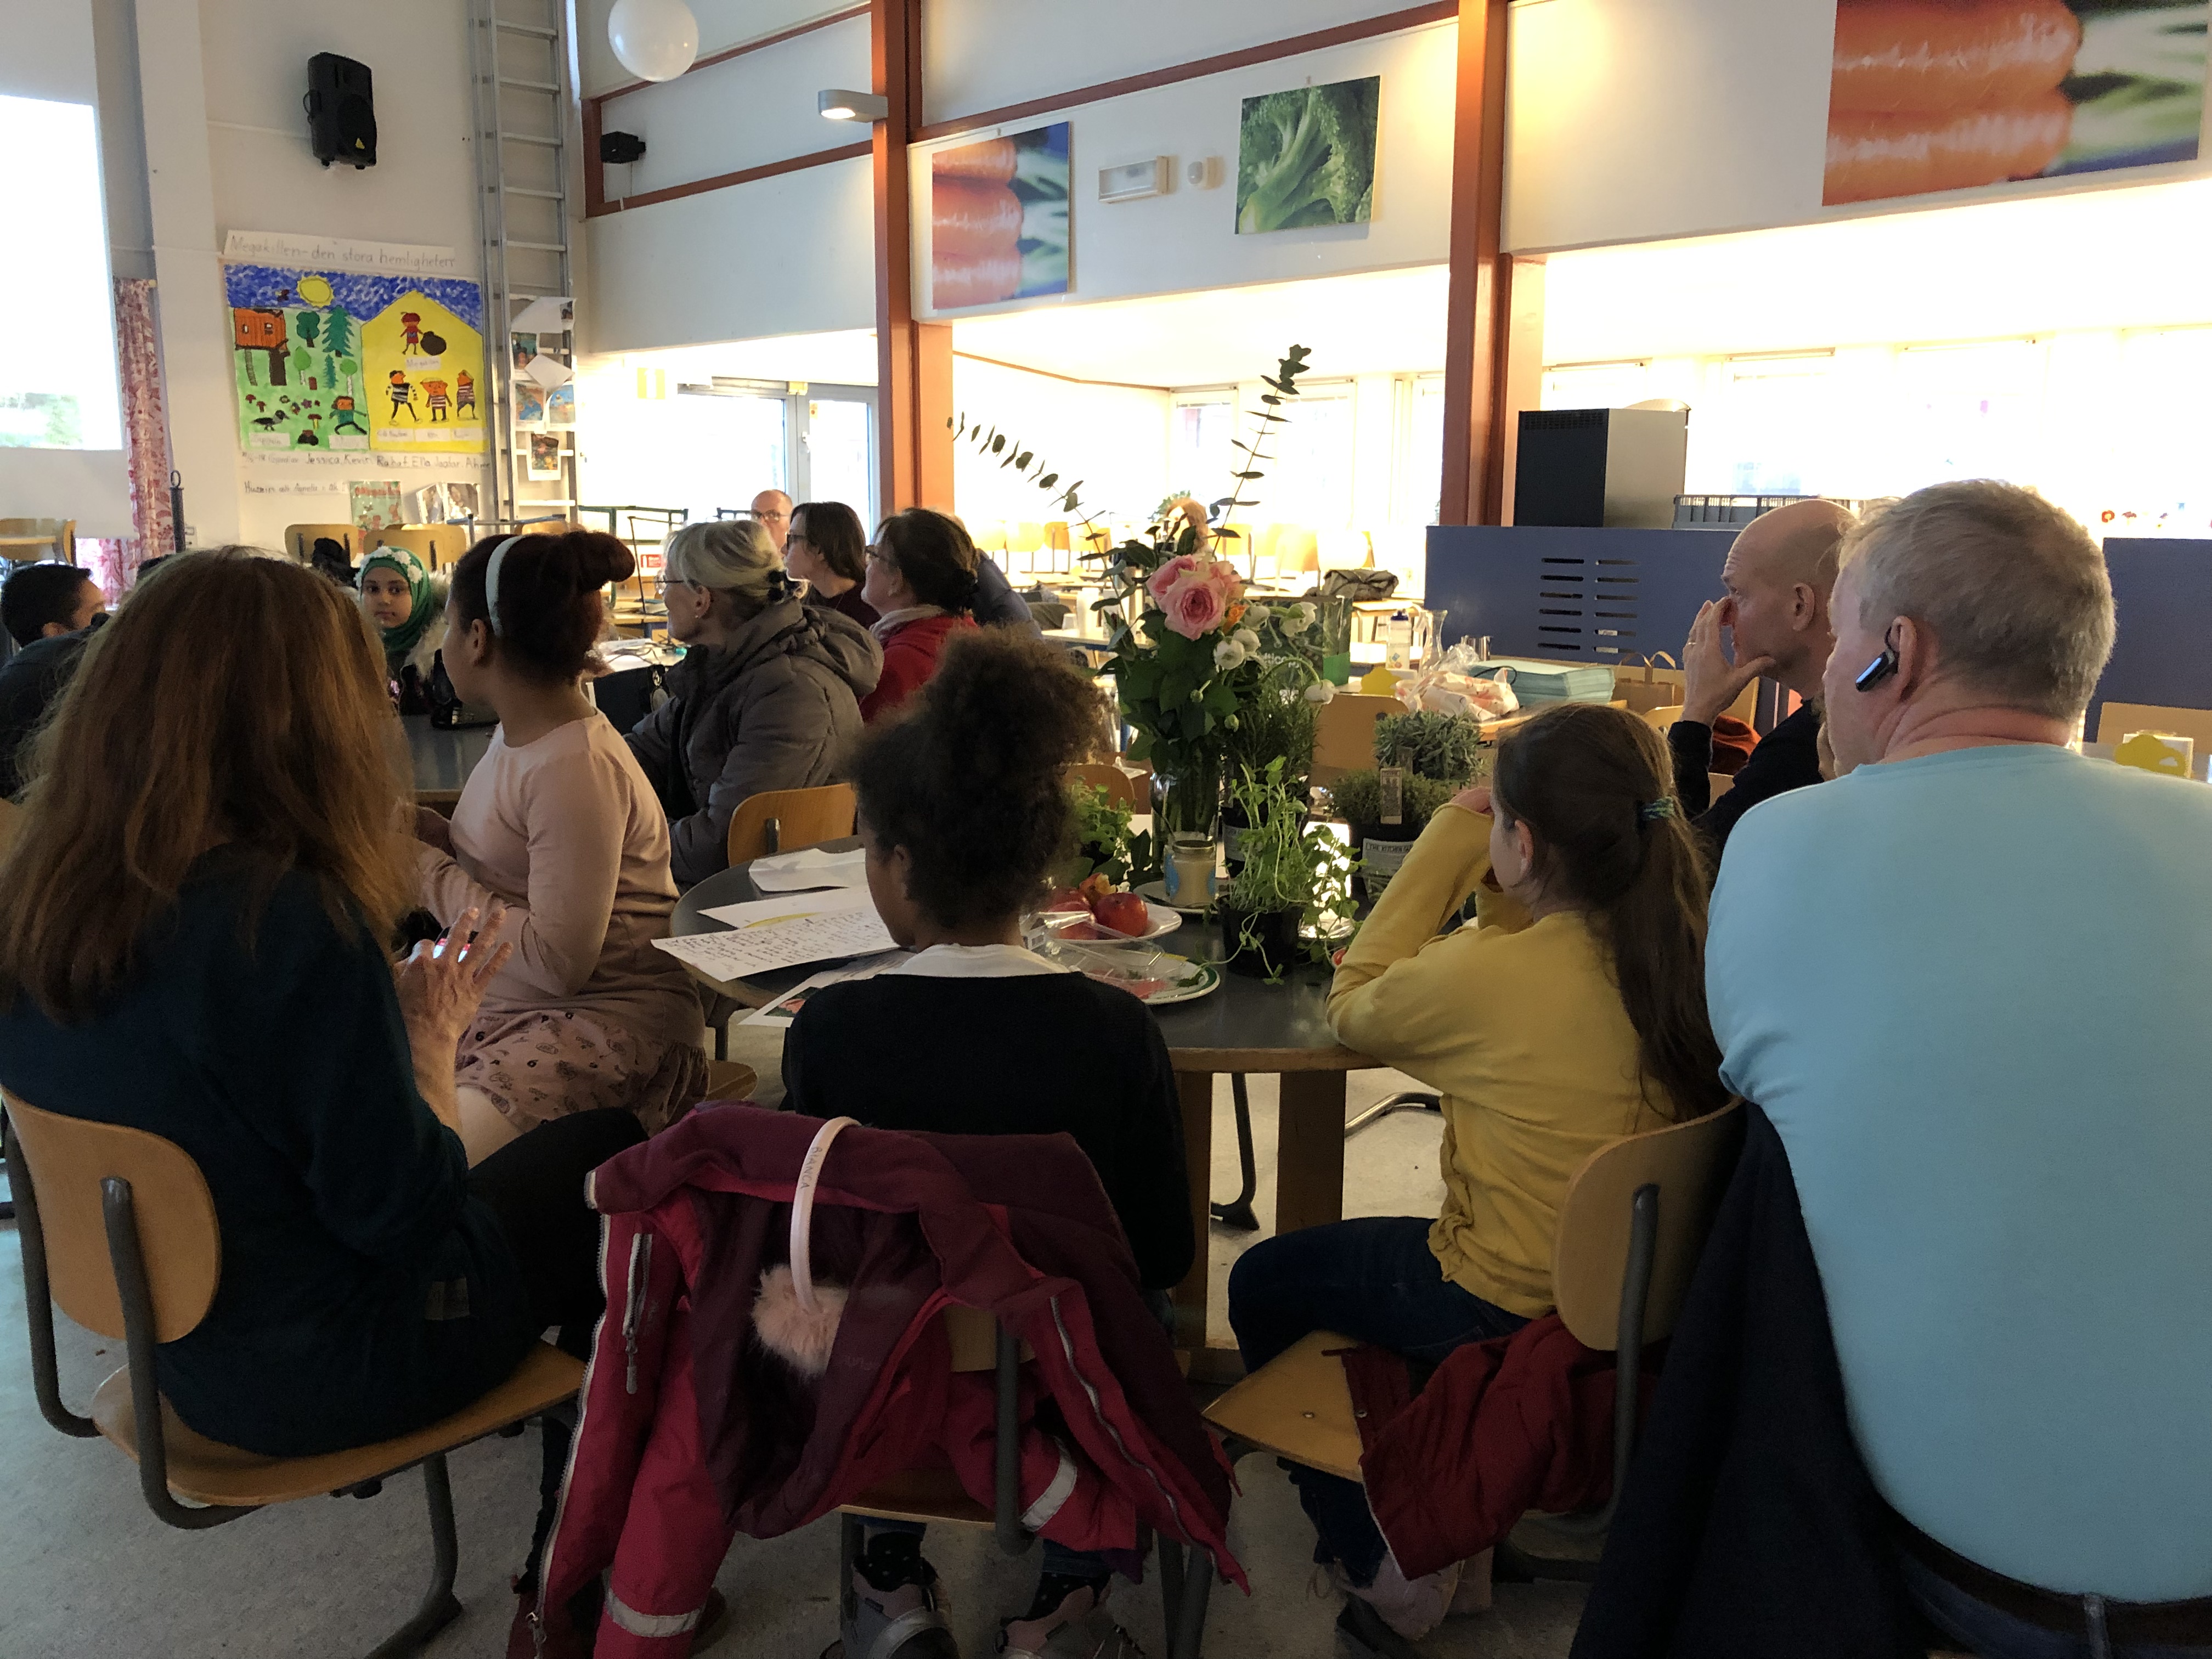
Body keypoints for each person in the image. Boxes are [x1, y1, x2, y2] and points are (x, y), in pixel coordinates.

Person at [0, 551, 641, 1575]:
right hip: (332, 1363)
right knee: (613, 1156)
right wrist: (425, 1041)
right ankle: (588, 1557)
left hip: (176, 1347)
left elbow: (192, 1079)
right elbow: (407, 1212)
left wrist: (362, 1034)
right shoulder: (285, 919)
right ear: (308, 719)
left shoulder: (42, 898)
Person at [1707, 481, 2212, 1656]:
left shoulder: (1784, 846)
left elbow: (1746, 1072)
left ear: (1897, 652)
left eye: (1844, 645)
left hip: (1988, 1584)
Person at [1229, 701, 1729, 1640]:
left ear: (1523, 839)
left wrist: (1447, 843)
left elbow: (1354, 1000)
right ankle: (1450, 1473)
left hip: (1502, 1296)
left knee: (1263, 1281)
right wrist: (1505, 858)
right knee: (1352, 1275)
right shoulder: (1690, 944)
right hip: (1638, 1301)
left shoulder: (1495, 979)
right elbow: (1519, 935)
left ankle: (1385, 1558)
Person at [782, 628, 1192, 1659]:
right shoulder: (1117, 1031)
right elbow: (1164, 1250)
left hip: (893, 1368)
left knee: (841, 1293)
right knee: (1127, 1304)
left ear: (904, 862)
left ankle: (889, 1587)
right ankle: (1068, 1593)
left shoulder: (832, 1026)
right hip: (1066, 1370)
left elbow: (811, 1239)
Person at [415, 529, 707, 1163]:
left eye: (446, 624)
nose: (442, 646)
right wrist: (442, 843)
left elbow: (557, 961)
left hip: (607, 1026)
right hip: (526, 1008)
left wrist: (425, 872)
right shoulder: (527, 737)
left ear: (477, 638)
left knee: (432, 1164)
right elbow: (516, 867)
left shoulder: (573, 765)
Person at [624, 518, 879, 888]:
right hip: (735, 890)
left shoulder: (791, 692)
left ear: (702, 598)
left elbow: (724, 843)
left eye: (668, 582)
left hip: (774, 903)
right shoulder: (721, 669)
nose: (662, 596)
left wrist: (618, 843)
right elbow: (635, 755)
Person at [1667, 497, 1853, 855]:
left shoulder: (1806, 748)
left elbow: (1680, 874)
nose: (1725, 615)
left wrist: (1696, 715)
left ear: (1800, 606)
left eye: (1737, 592)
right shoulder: (1859, 717)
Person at [858, 508, 980, 722]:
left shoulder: (899, 665)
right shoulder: (964, 632)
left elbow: (864, 750)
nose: (866, 565)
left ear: (897, 580)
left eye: (874, 555)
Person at [0, 561, 108, 799]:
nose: (108, 622)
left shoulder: (23, 673)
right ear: (56, 632)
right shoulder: (45, 692)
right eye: (97, 613)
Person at [356, 543, 450, 715]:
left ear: (419, 593)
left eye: (396, 590)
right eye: (373, 589)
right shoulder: (349, 646)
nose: (383, 600)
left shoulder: (445, 653)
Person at [785, 499, 877, 628]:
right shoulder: (808, 601)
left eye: (793, 538)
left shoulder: (871, 609)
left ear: (820, 550)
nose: (785, 548)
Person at [750, 487, 793, 553]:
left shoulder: (800, 561)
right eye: (756, 515)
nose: (761, 523)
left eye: (772, 515)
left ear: (791, 521)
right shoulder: (740, 559)